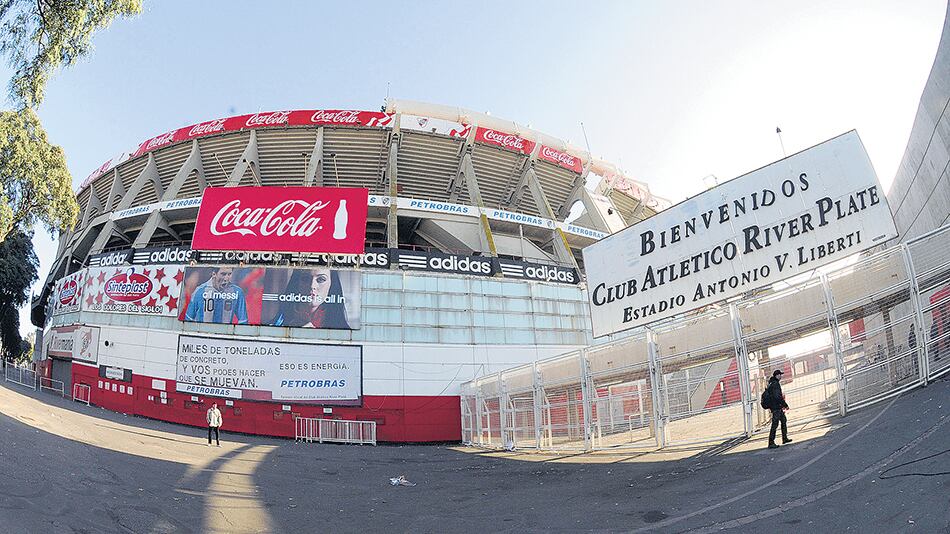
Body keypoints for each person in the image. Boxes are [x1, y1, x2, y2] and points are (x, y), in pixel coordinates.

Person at [272, 268, 350, 329]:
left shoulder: (344, 331)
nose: (312, 286)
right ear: (297, 282)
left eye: (321, 279)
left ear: (331, 284)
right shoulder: (274, 325)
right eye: (305, 278)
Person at [766, 369, 791, 449]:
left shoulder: (771, 383)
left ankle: (784, 438)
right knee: (775, 425)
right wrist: (785, 405)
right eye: (780, 374)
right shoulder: (775, 384)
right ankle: (771, 442)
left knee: (783, 420)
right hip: (776, 407)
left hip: (777, 407)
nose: (781, 376)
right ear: (777, 375)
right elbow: (777, 397)